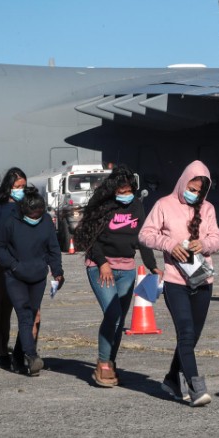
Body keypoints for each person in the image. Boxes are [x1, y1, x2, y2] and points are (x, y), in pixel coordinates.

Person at [139, 161, 219, 406]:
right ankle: (196, 387)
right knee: (185, 333)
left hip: (203, 280)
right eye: (191, 188)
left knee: (191, 338)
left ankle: (171, 380)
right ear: (183, 182)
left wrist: (204, 245)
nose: (194, 194)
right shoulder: (163, 205)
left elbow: (217, 238)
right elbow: (145, 234)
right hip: (175, 281)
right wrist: (168, 245)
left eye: (199, 191)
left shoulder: (207, 209)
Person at [73, 166, 162, 387]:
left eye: (128, 191)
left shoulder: (138, 206)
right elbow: (89, 237)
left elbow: (143, 238)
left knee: (119, 319)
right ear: (113, 190)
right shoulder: (103, 206)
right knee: (112, 314)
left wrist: (152, 266)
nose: (125, 195)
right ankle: (103, 362)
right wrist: (102, 263)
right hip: (101, 266)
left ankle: (110, 362)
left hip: (127, 269)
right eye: (120, 191)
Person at [0, 187, 63, 376]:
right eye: (32, 213)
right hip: (15, 277)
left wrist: (57, 272)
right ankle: (32, 357)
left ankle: (17, 355)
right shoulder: (10, 222)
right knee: (24, 315)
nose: (35, 216)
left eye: (39, 213)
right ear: (23, 210)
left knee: (31, 316)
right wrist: (12, 265)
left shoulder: (46, 221)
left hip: (38, 276)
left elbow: (53, 248)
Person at [0, 167, 33, 370]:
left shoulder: (28, 206)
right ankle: (1, 352)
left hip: (25, 266)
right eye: (17, 186)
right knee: (1, 311)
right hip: (1, 267)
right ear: (8, 186)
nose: (20, 190)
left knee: (27, 313)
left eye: (23, 187)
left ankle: (21, 353)